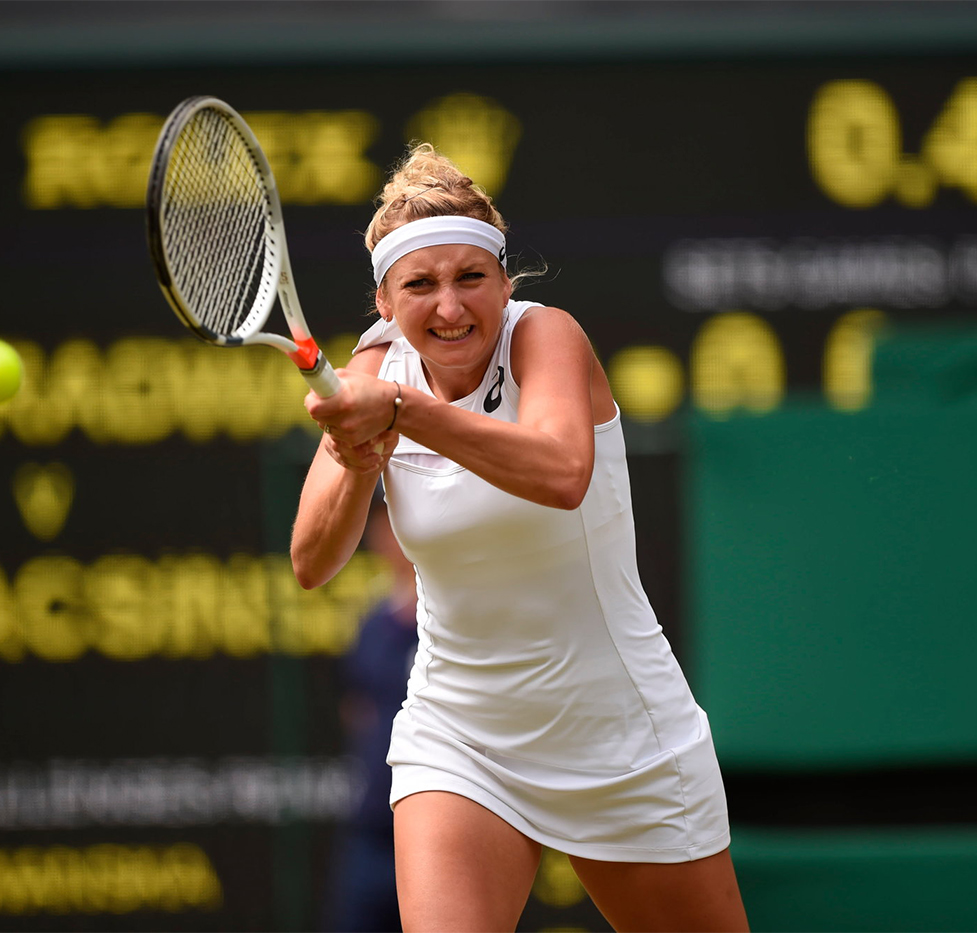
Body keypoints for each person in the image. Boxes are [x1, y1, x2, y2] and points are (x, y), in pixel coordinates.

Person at [290, 143, 748, 933]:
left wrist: (404, 414)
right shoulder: (373, 367)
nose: (450, 307)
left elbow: (563, 470)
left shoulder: (548, 337)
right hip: (460, 734)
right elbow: (311, 560)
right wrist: (357, 458)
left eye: (472, 278)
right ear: (384, 302)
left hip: (621, 736)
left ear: (506, 281)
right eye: (420, 286)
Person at [324, 496, 419, 932]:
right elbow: (356, 707)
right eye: (384, 529)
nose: (392, 541)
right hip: (372, 831)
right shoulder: (372, 622)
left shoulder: (459, 620)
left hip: (435, 829)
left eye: (401, 527)